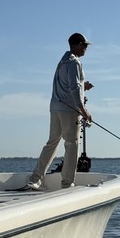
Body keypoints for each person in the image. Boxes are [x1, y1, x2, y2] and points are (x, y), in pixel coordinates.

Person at [24, 32, 94, 190]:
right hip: (69, 111)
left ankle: (35, 178)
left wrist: (84, 87)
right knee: (72, 144)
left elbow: (68, 86)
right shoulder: (74, 63)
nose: (85, 49)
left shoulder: (62, 62)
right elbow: (74, 89)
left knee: (52, 143)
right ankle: (67, 184)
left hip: (55, 109)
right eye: (83, 45)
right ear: (75, 45)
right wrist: (84, 111)